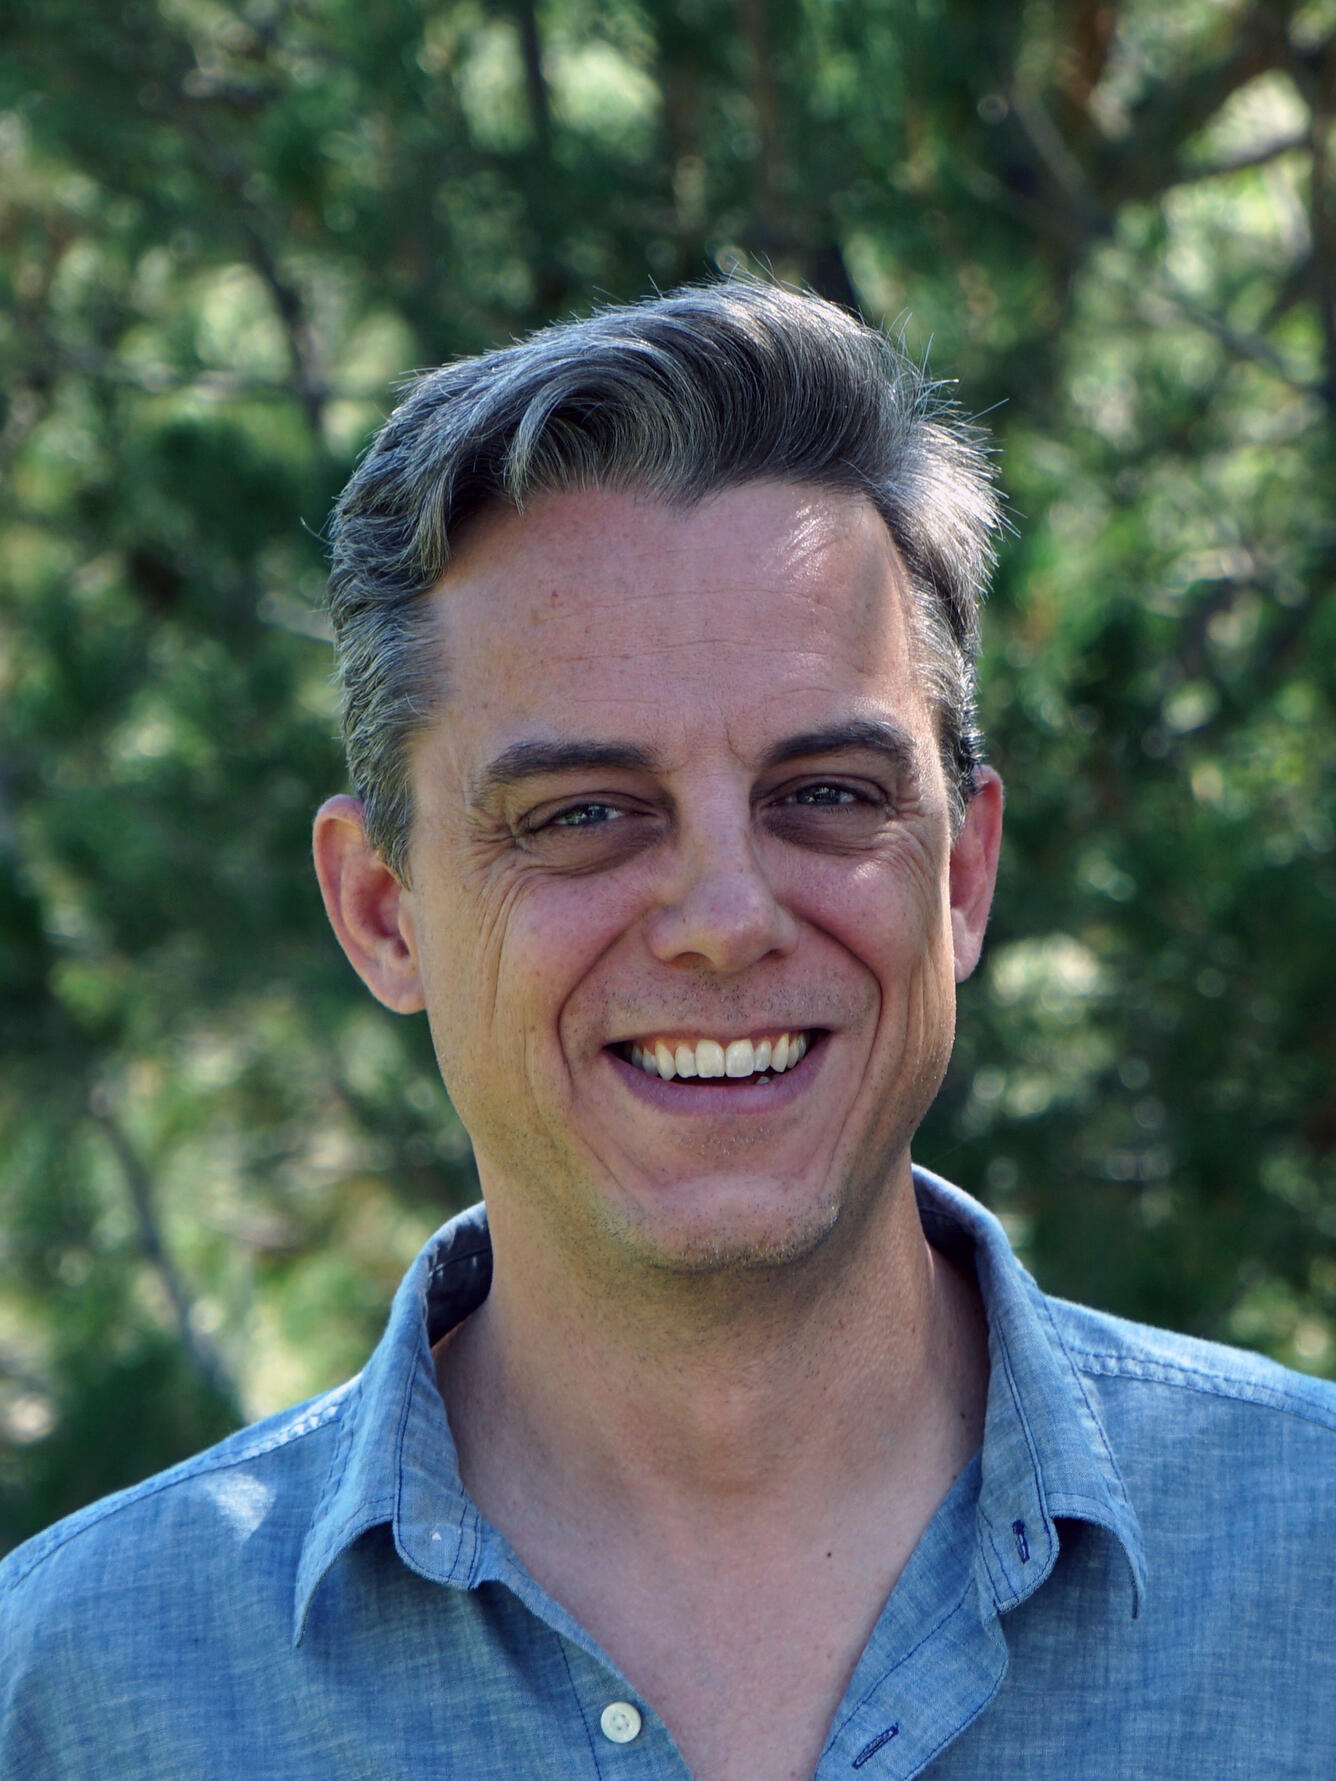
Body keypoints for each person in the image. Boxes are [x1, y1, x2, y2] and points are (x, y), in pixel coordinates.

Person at [2, 281, 1333, 1781]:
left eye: (826, 792)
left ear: (960, 869)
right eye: (584, 815)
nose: (725, 913)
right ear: (383, 910)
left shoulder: (1314, 1576)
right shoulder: (85, 1692)